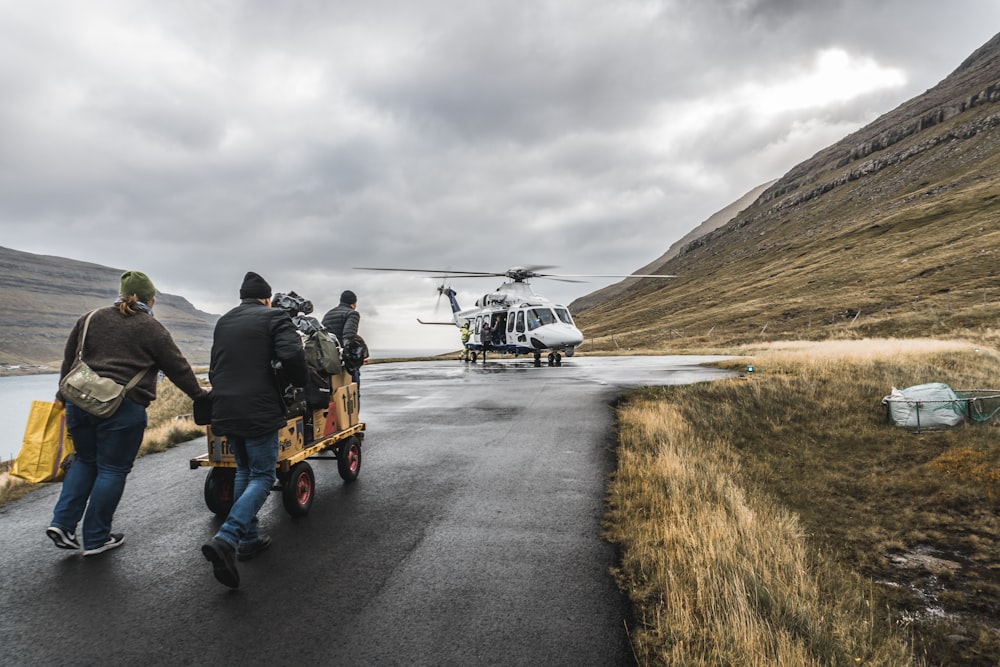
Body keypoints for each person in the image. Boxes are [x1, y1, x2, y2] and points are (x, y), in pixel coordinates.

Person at [47, 270, 209, 556]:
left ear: (121, 294)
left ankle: (62, 523)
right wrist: (200, 396)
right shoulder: (151, 327)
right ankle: (96, 538)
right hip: (121, 408)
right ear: (151, 299)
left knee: (85, 461)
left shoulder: (89, 318)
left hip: (79, 403)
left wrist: (62, 396)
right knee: (112, 469)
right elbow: (177, 367)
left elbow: (69, 361)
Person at [201, 271, 307, 588]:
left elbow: (215, 365)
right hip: (258, 406)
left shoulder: (224, 321)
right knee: (263, 474)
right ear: (265, 297)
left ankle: (248, 538)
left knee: (244, 470)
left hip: (225, 405)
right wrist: (300, 381)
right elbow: (291, 354)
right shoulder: (275, 316)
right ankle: (228, 537)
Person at [322, 289, 364, 391]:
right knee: (352, 393)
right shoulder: (352, 314)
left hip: (328, 360)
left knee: (335, 395)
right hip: (342, 361)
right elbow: (348, 337)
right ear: (354, 304)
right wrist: (355, 359)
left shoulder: (329, 314)